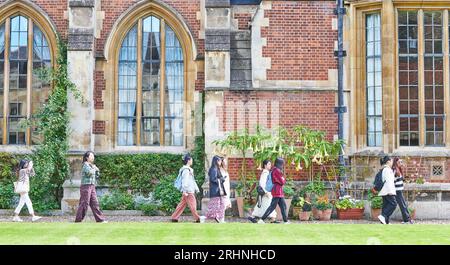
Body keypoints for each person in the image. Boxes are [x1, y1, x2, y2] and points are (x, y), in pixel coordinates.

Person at [171, 154, 205, 223]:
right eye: (191, 159)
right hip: (188, 191)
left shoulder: (188, 170)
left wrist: (196, 189)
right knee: (193, 205)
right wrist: (184, 191)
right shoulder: (186, 170)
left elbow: (191, 181)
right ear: (188, 160)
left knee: (182, 205)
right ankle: (197, 218)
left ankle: (174, 217)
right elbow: (185, 181)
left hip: (187, 191)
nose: (192, 161)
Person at [75, 151, 107, 223]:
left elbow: (96, 175)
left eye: (93, 156)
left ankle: (100, 219)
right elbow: (89, 173)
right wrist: (94, 168)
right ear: (87, 158)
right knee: (84, 203)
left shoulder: (91, 165)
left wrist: (97, 170)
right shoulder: (85, 165)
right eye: (91, 156)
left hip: (92, 186)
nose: (93, 157)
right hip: (85, 186)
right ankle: (78, 220)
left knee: (95, 203)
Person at [258, 157, 290, 224]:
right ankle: (261, 220)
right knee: (272, 207)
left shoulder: (274, 170)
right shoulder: (277, 171)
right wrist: (283, 179)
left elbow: (281, 180)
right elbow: (282, 181)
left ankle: (286, 221)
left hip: (278, 191)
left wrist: (282, 179)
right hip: (277, 191)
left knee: (283, 206)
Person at [206, 155, 227, 223]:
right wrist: (221, 179)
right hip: (216, 190)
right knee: (216, 206)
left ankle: (219, 218)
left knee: (222, 204)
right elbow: (213, 179)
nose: (221, 162)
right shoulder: (214, 169)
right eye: (220, 161)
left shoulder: (216, 168)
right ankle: (208, 217)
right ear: (217, 161)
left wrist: (222, 179)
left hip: (218, 190)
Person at [392, 157, 413, 224]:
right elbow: (392, 181)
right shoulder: (394, 170)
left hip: (400, 190)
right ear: (395, 163)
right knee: (402, 205)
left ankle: (408, 219)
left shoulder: (399, 170)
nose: (401, 163)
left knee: (403, 205)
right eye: (399, 162)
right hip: (397, 190)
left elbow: (399, 179)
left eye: (401, 162)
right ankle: (407, 220)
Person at [378, 155, 397, 225]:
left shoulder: (385, 169)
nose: (392, 162)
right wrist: (390, 191)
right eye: (391, 161)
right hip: (388, 191)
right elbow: (389, 181)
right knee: (393, 204)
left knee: (386, 205)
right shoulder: (387, 170)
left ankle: (386, 221)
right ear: (388, 161)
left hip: (385, 190)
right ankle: (383, 216)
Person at [221, 156, 232, 221]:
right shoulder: (221, 171)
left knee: (226, 204)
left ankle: (219, 217)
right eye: (225, 161)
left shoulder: (225, 171)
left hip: (227, 189)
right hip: (223, 190)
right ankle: (221, 218)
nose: (226, 163)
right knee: (224, 204)